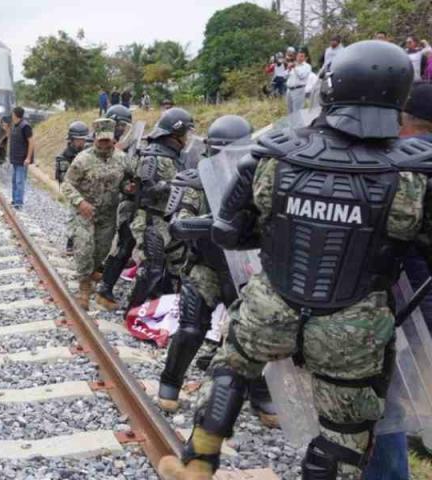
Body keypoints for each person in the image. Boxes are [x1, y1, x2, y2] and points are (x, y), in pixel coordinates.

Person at [160, 41, 432, 480]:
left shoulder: (275, 155)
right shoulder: (414, 176)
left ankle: (198, 462)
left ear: (330, 86)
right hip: (352, 325)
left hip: (272, 306)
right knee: (347, 425)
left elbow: (229, 231)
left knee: (232, 367)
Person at [155, 115, 277, 429]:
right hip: (205, 265)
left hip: (246, 266)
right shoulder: (194, 180)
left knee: (255, 333)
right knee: (192, 329)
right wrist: (216, 223)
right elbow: (178, 225)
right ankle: (171, 381)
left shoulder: (259, 177)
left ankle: (262, 393)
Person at [362, 81, 432, 480]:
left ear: (404, 122)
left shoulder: (407, 170)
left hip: (413, 313)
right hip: (418, 308)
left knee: (385, 407)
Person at [123, 108, 193, 310]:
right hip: (151, 221)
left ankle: (167, 310)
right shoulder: (151, 156)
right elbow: (147, 190)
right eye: (185, 133)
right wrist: (174, 185)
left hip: (173, 220)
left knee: (179, 267)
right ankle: (132, 309)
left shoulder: (179, 157)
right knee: (152, 268)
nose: (187, 138)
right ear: (174, 134)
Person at [61, 118, 128, 310]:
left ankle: (91, 273)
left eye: (108, 141)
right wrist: (80, 202)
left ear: (113, 140)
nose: (105, 145)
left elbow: (123, 181)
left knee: (102, 250)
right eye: (101, 141)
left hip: (107, 214)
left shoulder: (122, 159)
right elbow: (67, 184)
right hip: (84, 213)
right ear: (95, 139)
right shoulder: (83, 159)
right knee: (84, 248)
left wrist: (127, 187)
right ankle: (84, 286)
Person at [95, 104, 140, 310]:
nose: (122, 129)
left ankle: (105, 282)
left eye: (125, 125)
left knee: (124, 244)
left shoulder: (128, 144)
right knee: (118, 244)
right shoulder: (102, 142)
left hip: (122, 199)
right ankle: (102, 284)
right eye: (120, 125)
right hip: (103, 199)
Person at [56, 121, 91, 254]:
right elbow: (64, 180)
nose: (82, 143)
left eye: (83, 139)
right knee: (72, 216)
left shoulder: (88, 153)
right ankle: (70, 242)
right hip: (73, 191)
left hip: (88, 190)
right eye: (79, 140)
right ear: (71, 140)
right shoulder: (64, 157)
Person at [9, 106, 34, 209]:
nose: (11, 115)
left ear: (15, 114)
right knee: (15, 180)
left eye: (12, 114)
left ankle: (19, 202)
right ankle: (15, 200)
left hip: (22, 159)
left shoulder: (25, 126)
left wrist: (28, 158)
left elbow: (31, 142)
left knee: (20, 181)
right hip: (16, 158)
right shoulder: (15, 126)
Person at [286, 48, 312, 114]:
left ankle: (298, 124)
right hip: (289, 90)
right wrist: (288, 69)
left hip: (298, 90)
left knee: (297, 112)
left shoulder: (307, 66)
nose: (299, 58)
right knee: (290, 111)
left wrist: (295, 67)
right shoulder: (293, 64)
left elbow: (302, 76)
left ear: (306, 58)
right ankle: (291, 124)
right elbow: (285, 76)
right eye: (298, 56)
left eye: (302, 56)